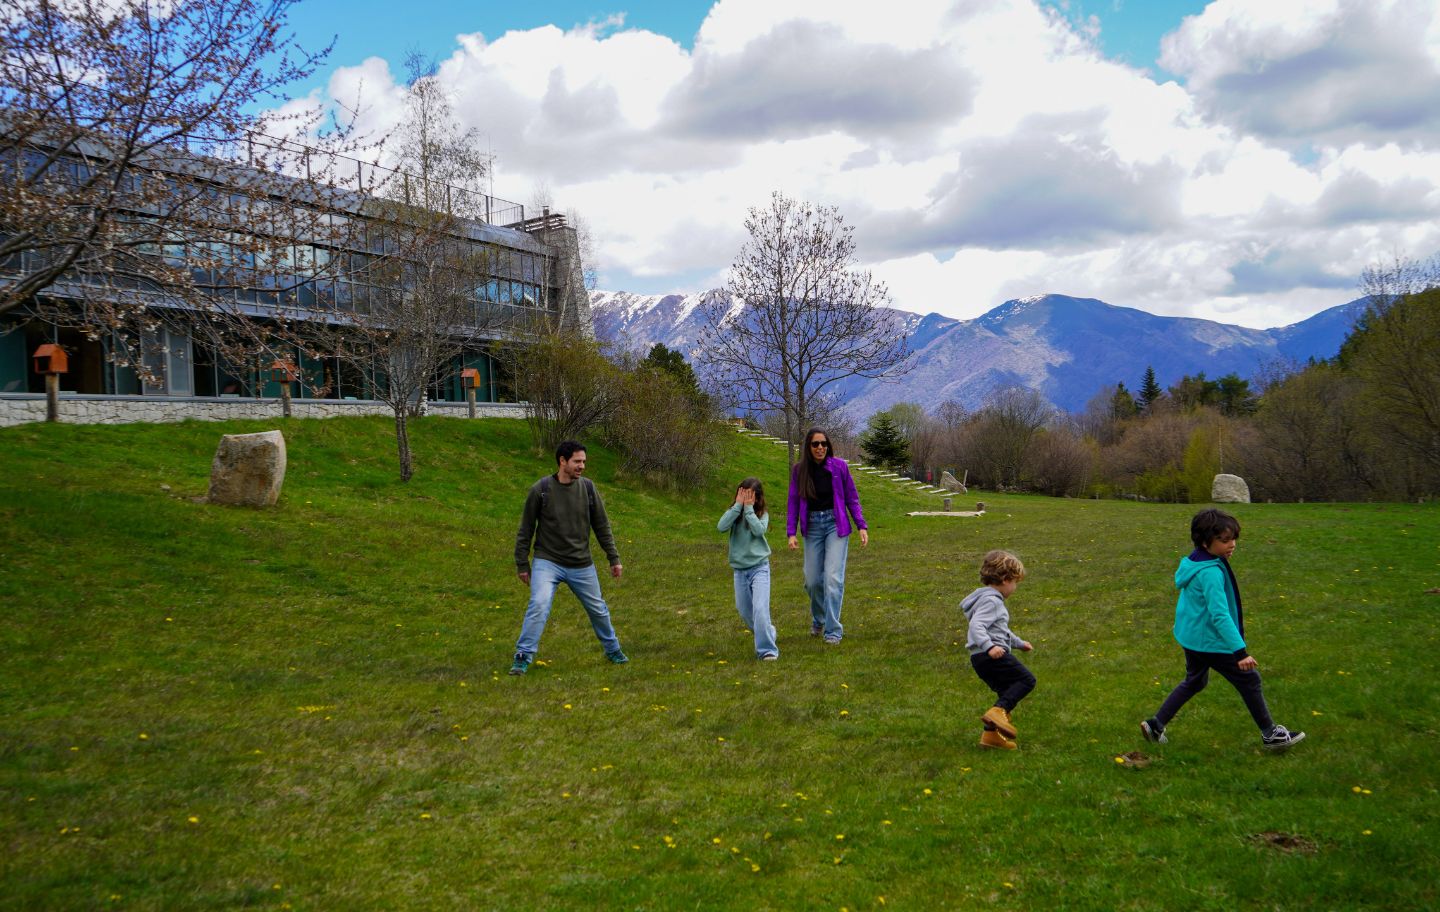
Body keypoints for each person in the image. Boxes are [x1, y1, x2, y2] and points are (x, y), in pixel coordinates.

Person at [1140, 508, 1305, 751]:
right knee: (1249, 679)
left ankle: (1155, 725)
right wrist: (1240, 652)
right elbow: (1220, 614)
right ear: (1206, 542)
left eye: (1234, 539)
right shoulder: (1210, 573)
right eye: (1225, 540)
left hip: (1191, 638)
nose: (1233, 545)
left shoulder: (1195, 560)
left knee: (1195, 681)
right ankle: (1271, 734)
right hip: (1210, 641)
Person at [508, 440, 627, 676]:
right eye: (577, 461)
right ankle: (523, 656)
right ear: (562, 461)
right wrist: (522, 563)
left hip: (581, 563)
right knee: (539, 604)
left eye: (583, 461)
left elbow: (602, 526)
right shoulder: (540, 490)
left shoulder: (589, 489)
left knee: (598, 608)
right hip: (547, 561)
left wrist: (613, 558)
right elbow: (526, 529)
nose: (582, 466)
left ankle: (613, 650)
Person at [786, 428, 868, 644]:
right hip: (812, 527)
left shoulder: (840, 467)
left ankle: (833, 630)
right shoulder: (799, 471)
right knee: (812, 581)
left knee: (833, 578)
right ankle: (819, 618)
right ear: (808, 447)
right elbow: (793, 501)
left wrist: (861, 525)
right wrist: (791, 532)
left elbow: (852, 497)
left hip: (836, 525)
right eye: (815, 444)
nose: (820, 447)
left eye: (823, 443)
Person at [962, 550, 1036, 750]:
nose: (1015, 588)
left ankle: (990, 737)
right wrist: (990, 646)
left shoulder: (985, 598)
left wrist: (1019, 643)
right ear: (1005, 579)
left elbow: (1001, 631)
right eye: (1015, 582)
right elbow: (976, 626)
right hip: (990, 655)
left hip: (980, 659)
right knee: (1026, 680)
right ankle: (998, 712)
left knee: (1007, 691)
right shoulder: (992, 601)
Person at [718, 477, 778, 661]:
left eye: (749, 495)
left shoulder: (762, 514)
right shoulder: (733, 513)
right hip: (740, 571)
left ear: (757, 497)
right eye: (742, 493)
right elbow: (721, 527)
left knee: (760, 609)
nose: (745, 498)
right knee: (744, 610)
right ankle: (767, 631)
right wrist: (737, 507)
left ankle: (767, 651)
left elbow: (759, 531)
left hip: (759, 568)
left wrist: (749, 510)